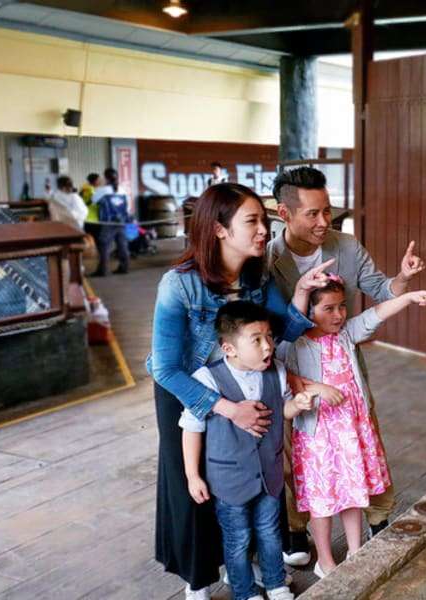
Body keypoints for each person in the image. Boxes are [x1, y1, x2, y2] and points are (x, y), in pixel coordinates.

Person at [148, 182, 334, 600]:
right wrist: (227, 409)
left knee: (249, 474)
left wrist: (302, 292)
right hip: (187, 391)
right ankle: (196, 579)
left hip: (245, 385)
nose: (263, 230)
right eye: (252, 221)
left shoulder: (257, 276)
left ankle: (243, 562)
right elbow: (165, 368)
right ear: (218, 229)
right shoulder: (178, 286)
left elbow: (282, 332)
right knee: (194, 486)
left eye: (263, 222)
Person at [267, 166, 425, 565]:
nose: (324, 222)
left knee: (365, 445)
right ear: (284, 214)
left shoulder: (348, 246)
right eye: (313, 214)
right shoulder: (270, 258)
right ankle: (298, 530)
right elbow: (270, 328)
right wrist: (295, 380)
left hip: (343, 370)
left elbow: (382, 291)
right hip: (293, 376)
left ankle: (378, 518)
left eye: (328, 211)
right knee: (295, 456)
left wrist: (403, 279)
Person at [283, 274, 426, 576]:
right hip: (318, 435)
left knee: (354, 490)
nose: (338, 315)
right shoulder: (296, 344)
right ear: (308, 310)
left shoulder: (345, 335)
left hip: (352, 432)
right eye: (328, 308)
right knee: (322, 498)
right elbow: (282, 375)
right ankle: (325, 560)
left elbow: (373, 316)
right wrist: (315, 387)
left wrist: (406, 298)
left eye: (341, 307)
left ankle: (356, 550)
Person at [181, 301, 306, 600]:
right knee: (237, 540)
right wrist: (192, 476)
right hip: (229, 479)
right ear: (229, 349)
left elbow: (280, 410)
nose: (268, 346)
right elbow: (191, 429)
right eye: (257, 340)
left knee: (270, 532)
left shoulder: (276, 371)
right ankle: (244, 591)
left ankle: (276, 584)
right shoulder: (207, 379)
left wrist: (296, 406)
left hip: (269, 475)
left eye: (270, 337)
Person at [91, 168, 130, 276]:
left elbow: (93, 200)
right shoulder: (122, 190)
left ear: (106, 178)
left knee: (104, 246)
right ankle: (124, 267)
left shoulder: (102, 190)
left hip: (108, 223)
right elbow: (127, 207)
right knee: (122, 245)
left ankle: (103, 270)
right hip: (121, 222)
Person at [80, 173, 102, 240]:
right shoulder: (89, 190)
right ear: (94, 181)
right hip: (91, 218)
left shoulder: (84, 188)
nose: (100, 181)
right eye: (99, 180)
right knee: (94, 239)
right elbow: (92, 202)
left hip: (88, 218)